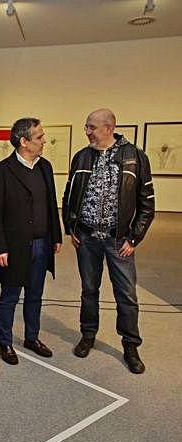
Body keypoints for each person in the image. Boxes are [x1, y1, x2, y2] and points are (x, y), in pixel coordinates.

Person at [62, 108, 155, 374]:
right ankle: (88, 334)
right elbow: (69, 193)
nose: (87, 131)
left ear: (108, 128)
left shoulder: (135, 157)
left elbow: (147, 204)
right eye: (86, 126)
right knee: (89, 290)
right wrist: (71, 227)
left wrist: (134, 237)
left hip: (119, 240)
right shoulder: (82, 156)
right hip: (87, 237)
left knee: (126, 295)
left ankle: (130, 345)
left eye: (91, 126)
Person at [0, 118, 62, 365]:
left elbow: (51, 203)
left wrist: (56, 236)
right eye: (39, 137)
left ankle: (32, 337)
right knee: (10, 295)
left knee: (35, 294)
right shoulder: (1, 171)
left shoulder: (45, 167)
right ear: (24, 142)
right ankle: (5, 343)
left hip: (42, 243)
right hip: (14, 247)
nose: (44, 141)